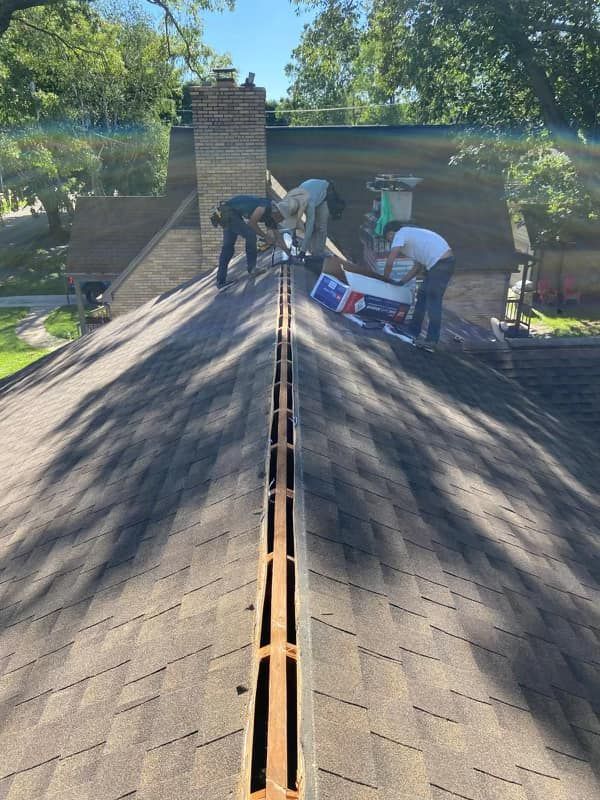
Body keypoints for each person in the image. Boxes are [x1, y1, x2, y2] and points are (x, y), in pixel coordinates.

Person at [383, 221, 455, 352]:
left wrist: (385, 280)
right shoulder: (413, 239)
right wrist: (402, 282)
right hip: (438, 265)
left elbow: (389, 262)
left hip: (441, 264)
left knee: (433, 300)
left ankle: (431, 340)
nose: (390, 242)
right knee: (421, 296)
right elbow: (417, 267)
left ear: (391, 233)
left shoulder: (401, 233)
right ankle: (413, 330)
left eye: (388, 238)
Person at [216, 195, 289, 291]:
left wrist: (288, 253)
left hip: (230, 214)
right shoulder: (265, 205)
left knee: (228, 248)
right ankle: (252, 269)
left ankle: (221, 281)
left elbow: (278, 237)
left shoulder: (271, 218)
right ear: (277, 212)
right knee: (250, 235)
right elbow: (251, 223)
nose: (280, 221)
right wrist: (266, 236)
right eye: (281, 218)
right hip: (227, 212)